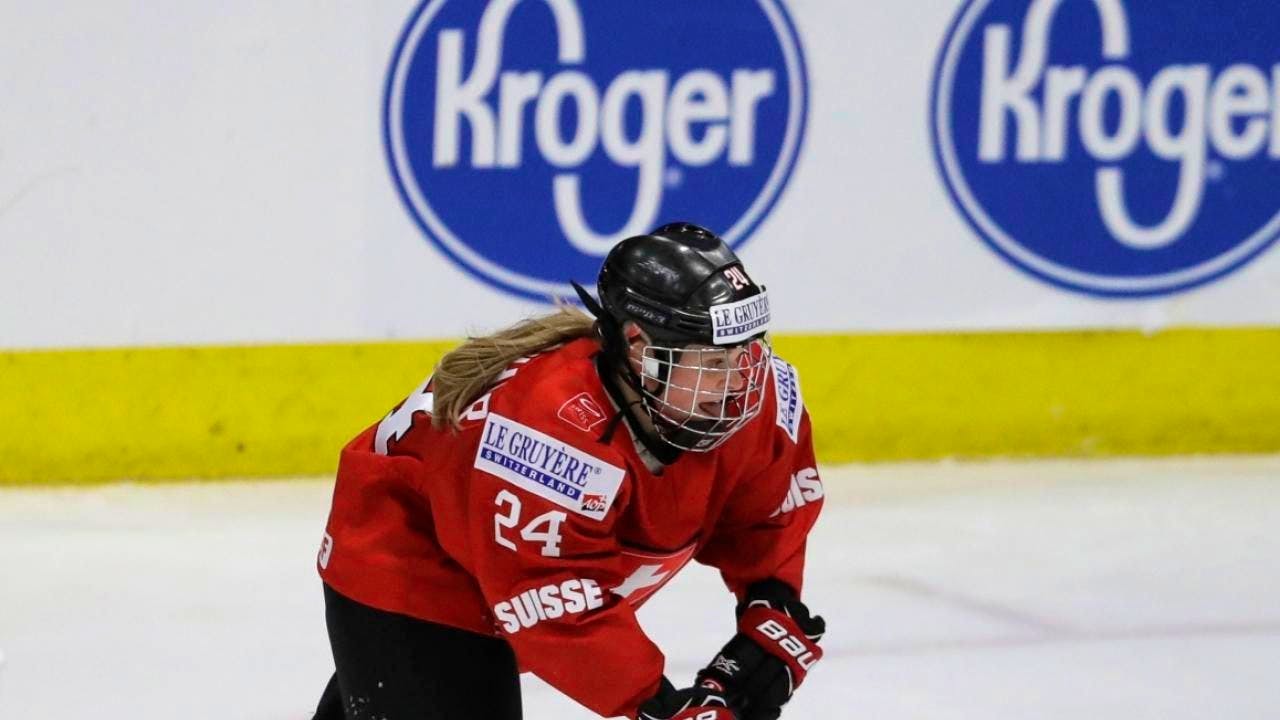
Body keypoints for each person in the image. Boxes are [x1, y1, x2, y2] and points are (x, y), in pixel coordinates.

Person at [312, 222, 826, 720]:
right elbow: (553, 600)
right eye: (713, 362)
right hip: (415, 570)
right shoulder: (548, 426)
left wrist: (771, 605)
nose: (739, 380)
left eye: (745, 353)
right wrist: (661, 706)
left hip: (498, 580)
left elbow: (767, 516)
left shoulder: (751, 403)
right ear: (642, 350)